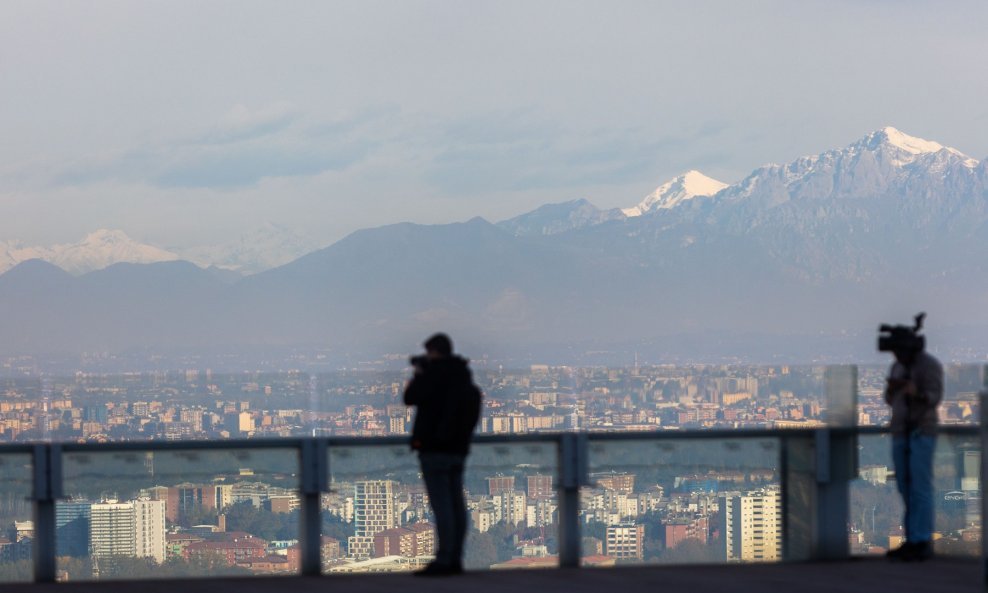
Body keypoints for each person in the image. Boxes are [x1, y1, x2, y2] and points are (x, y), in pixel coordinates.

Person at [404, 333, 482, 576]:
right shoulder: (462, 376)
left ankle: (444, 560)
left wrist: (418, 373)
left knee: (443, 506)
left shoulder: (433, 376)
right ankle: (455, 557)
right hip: (458, 450)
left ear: (434, 352)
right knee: (457, 504)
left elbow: (410, 398)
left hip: (434, 450)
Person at [882, 323, 942, 562]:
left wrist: (913, 391)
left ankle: (921, 540)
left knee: (920, 489)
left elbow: (933, 398)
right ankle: (913, 538)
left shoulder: (929, 366)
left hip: (921, 432)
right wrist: (893, 389)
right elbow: (890, 400)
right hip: (900, 432)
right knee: (906, 488)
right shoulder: (898, 366)